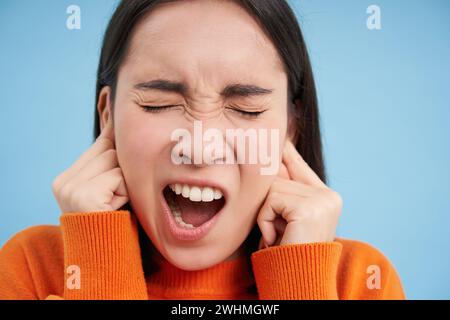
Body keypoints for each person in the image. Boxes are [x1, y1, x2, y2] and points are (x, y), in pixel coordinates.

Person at [0, 0, 405, 300]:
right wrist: (99, 269)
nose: (199, 148)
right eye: (158, 103)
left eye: (246, 107)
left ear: (291, 126)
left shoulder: (359, 281)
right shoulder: (35, 269)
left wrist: (300, 284)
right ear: (107, 117)